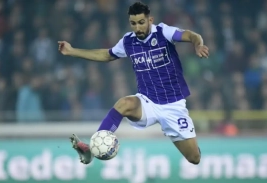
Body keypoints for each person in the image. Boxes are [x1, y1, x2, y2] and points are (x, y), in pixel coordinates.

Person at [58, 1, 209, 165]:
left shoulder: (163, 32)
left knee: (194, 158)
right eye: (133, 23)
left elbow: (191, 35)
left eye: (141, 23)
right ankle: (92, 150)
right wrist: (72, 51)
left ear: (150, 20)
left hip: (173, 105)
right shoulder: (128, 41)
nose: (137, 28)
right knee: (124, 103)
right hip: (147, 102)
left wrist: (198, 45)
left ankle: (191, 144)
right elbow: (106, 55)